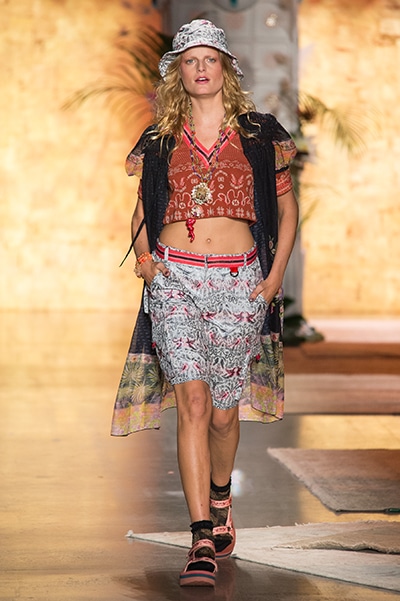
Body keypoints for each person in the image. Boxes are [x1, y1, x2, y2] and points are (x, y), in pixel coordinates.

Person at [111, 19, 298, 587]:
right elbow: (143, 210)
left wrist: (274, 277)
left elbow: (287, 209)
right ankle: (199, 539)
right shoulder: (160, 138)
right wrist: (147, 261)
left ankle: (221, 499)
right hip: (175, 280)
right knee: (191, 400)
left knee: (221, 412)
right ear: (178, 73)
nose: (200, 68)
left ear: (225, 69)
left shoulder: (259, 134)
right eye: (189, 60)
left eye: (209, 59)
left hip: (241, 281)